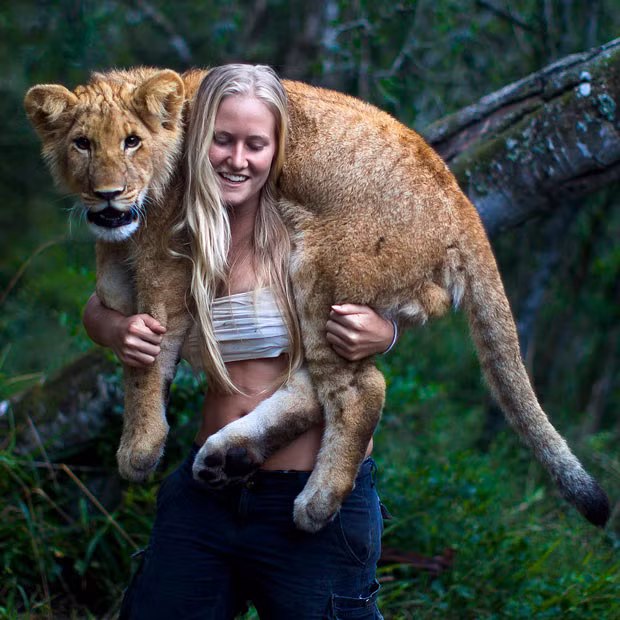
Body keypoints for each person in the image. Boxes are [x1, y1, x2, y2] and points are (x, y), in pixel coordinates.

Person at [83, 64, 396, 619]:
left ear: (280, 149)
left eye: (256, 144)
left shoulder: (320, 224)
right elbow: (101, 306)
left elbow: (395, 306)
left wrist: (385, 332)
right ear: (196, 139)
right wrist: (117, 330)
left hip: (312, 497)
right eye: (221, 140)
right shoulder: (171, 221)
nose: (237, 159)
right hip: (208, 493)